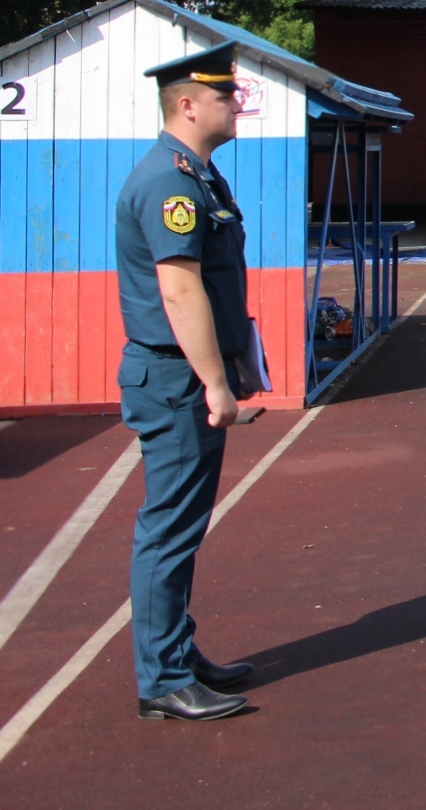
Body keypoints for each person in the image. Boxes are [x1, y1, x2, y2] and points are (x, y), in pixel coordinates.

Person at [115, 43, 259, 722]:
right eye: (225, 95)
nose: (236, 104)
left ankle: (177, 652)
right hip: (175, 379)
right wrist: (215, 384)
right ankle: (163, 677)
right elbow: (179, 290)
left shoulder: (201, 178)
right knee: (169, 529)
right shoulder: (171, 184)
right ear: (188, 104)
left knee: (182, 526)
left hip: (186, 375)